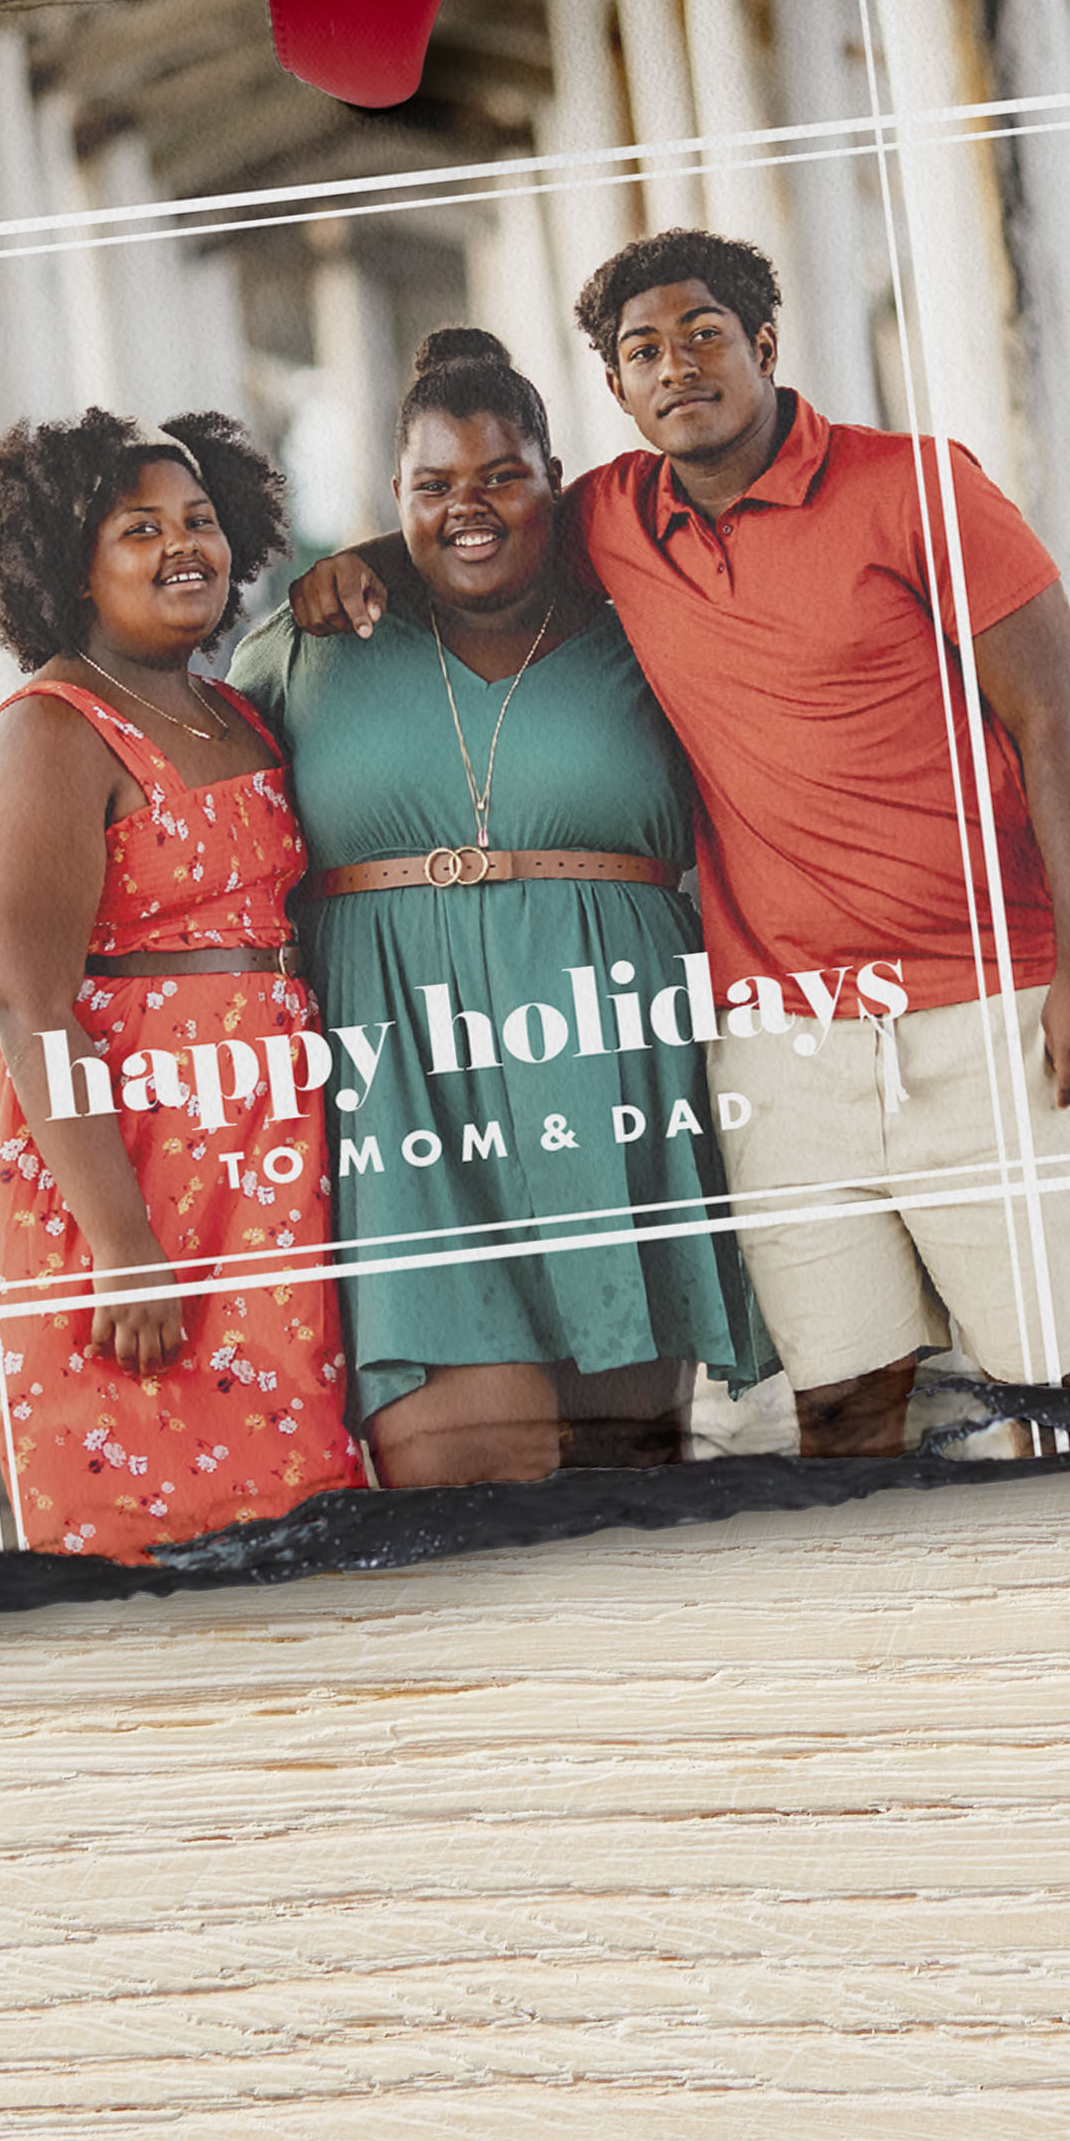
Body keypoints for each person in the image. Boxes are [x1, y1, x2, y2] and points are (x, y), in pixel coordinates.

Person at [551, 225, 1070, 1454]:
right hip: (783, 1041)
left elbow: (1057, 715)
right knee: (840, 1405)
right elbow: (471, 547)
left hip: (999, 1009)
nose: (676, 365)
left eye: (703, 332)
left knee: (1057, 1395)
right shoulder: (605, 522)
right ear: (615, 388)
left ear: (764, 344)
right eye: (641, 350)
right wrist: (355, 581)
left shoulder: (916, 483)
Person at [237, 324, 769, 1486]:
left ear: (556, 481)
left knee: (636, 1497)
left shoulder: (645, 625)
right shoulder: (312, 645)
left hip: (613, 1080)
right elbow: (200, 842)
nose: (466, 508)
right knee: (471, 1496)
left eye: (500, 477)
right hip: (403, 1113)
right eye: (431, 487)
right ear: (391, 498)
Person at [0, 408, 363, 1561]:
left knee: (296, 1496)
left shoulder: (227, 708)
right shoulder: (48, 730)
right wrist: (121, 1241)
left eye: (201, 520)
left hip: (260, 1154)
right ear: (67, 562)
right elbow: (25, 999)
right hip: (129, 1169)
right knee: (151, 1513)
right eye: (139, 528)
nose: (186, 546)